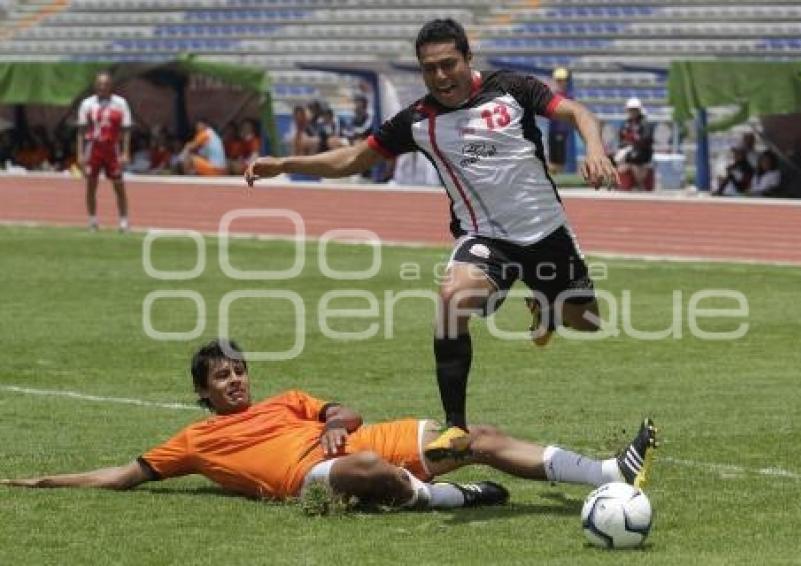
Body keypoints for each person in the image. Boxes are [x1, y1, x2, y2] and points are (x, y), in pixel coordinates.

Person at [245, 19, 618, 461]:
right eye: (430, 69)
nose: (441, 76)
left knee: (586, 323)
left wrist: (594, 148)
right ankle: (455, 426)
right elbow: (351, 158)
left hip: (546, 233)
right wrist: (286, 163)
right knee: (451, 297)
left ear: (467, 59)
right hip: (486, 238)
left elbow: (579, 112)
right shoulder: (419, 120)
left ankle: (547, 308)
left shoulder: (512, 89)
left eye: (448, 64)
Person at [1, 340, 657, 509]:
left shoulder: (287, 398)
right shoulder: (193, 441)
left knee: (475, 438)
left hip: (356, 444)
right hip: (308, 479)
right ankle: (443, 498)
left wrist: (338, 422)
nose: (235, 380)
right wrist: (44, 482)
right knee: (370, 474)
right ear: (203, 394)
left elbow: (345, 411)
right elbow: (125, 474)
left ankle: (608, 471)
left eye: (239, 371)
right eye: (221, 377)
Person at [77, 72, 132, 232]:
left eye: (105, 84)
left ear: (111, 86)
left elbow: (126, 130)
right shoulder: (87, 104)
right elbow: (81, 130)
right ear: (95, 86)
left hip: (112, 148)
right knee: (91, 186)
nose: (102, 87)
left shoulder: (120, 103)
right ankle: (92, 221)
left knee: (119, 186)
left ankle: (123, 221)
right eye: (99, 84)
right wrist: (80, 153)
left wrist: (126, 152)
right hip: (93, 148)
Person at [614, 97, 654, 191]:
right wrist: (625, 145)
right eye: (630, 110)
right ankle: (621, 183)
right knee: (613, 158)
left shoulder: (644, 123)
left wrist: (634, 143)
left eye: (634, 110)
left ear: (639, 110)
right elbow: (621, 138)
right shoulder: (626, 123)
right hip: (627, 149)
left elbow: (646, 138)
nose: (632, 112)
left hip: (642, 150)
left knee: (633, 157)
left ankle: (640, 184)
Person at [548, 67, 570, 174]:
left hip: (562, 129)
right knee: (554, 158)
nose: (561, 83)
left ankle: (558, 177)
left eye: (563, 80)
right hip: (554, 129)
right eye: (558, 80)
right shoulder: (553, 94)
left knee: (560, 158)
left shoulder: (567, 96)